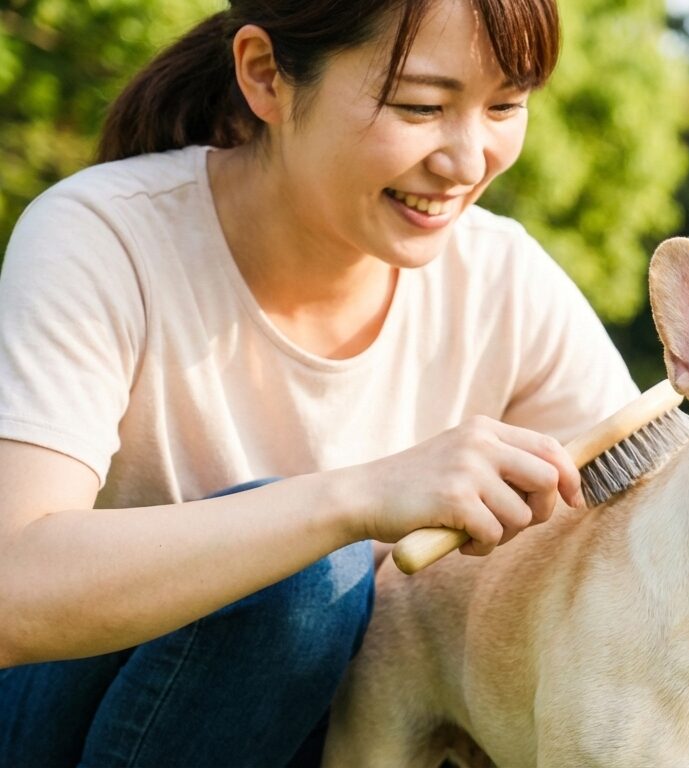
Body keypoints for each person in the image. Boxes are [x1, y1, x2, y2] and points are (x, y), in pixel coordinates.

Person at [0, 0, 640, 763]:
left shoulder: (505, 280)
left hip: (333, 731)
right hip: (64, 725)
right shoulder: (103, 235)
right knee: (306, 580)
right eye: (421, 106)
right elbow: (14, 582)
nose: (469, 162)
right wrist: (357, 499)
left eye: (505, 106)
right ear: (265, 77)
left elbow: (653, 527)